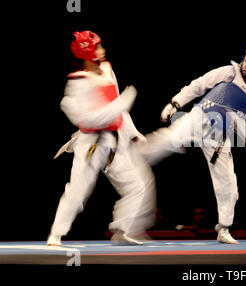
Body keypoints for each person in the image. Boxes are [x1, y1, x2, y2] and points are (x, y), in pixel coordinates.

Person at [135, 43, 246, 244]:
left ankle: (224, 228)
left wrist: (234, 120)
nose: (245, 64)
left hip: (219, 134)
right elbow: (199, 84)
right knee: (169, 138)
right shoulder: (229, 71)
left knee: (228, 182)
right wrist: (175, 103)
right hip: (199, 117)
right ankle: (133, 156)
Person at [47, 31, 155, 246]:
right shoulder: (78, 82)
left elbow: (117, 108)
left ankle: (121, 230)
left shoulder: (107, 70)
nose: (102, 50)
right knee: (78, 192)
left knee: (136, 186)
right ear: (87, 53)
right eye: (97, 47)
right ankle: (56, 234)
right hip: (90, 144)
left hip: (114, 141)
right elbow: (89, 120)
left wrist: (133, 133)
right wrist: (124, 102)